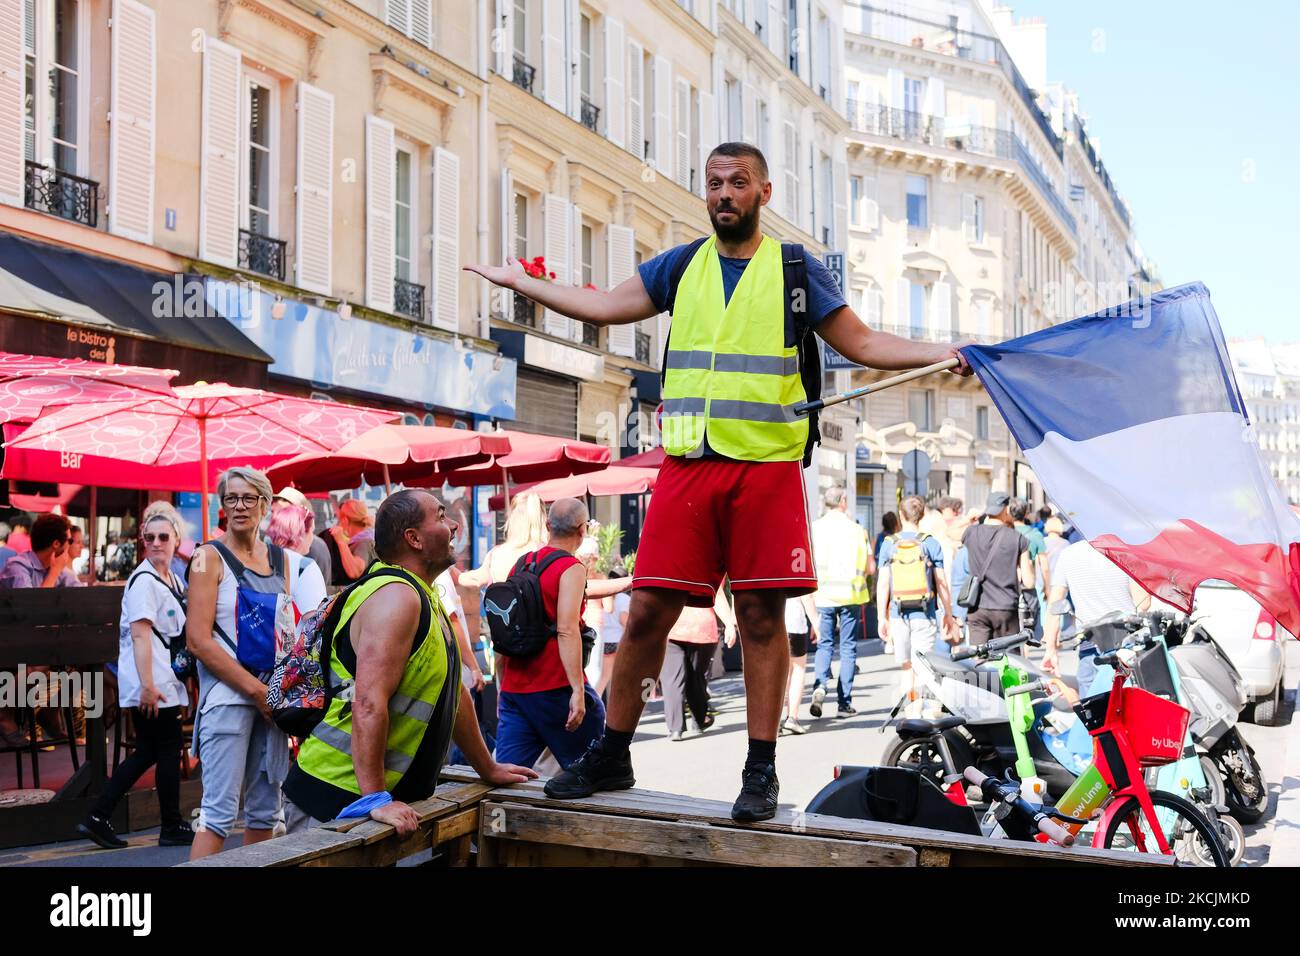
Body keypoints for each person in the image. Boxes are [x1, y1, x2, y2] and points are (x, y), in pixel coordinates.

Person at [468, 141, 971, 821]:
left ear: (764, 193)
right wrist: (523, 283)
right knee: (648, 610)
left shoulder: (796, 269)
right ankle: (613, 753)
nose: (724, 194)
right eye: (713, 184)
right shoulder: (682, 266)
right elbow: (601, 305)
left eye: (738, 183)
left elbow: (864, 343)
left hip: (765, 468)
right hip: (689, 465)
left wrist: (943, 355)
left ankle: (759, 772)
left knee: (763, 618)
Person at [284, 490, 535, 833]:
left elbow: (454, 695)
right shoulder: (396, 596)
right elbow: (369, 703)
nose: (453, 527)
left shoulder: (421, 594)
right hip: (335, 795)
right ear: (414, 538)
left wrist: (487, 767)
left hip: (368, 800)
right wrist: (374, 798)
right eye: (442, 516)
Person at [185, 467, 327, 860]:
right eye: (231, 498)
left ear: (265, 504)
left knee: (266, 814)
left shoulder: (284, 561)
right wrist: (261, 692)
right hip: (232, 700)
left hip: (271, 706)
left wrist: (281, 696)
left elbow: (285, 636)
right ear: (222, 505)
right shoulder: (205, 558)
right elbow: (197, 640)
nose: (240, 506)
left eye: (249, 498)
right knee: (217, 816)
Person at [78, 502, 194, 850]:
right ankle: (170, 824)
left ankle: (98, 816)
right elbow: (141, 634)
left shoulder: (169, 576)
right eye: (150, 537)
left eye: (163, 537)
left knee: (148, 751)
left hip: (159, 680)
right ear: (144, 541)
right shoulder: (145, 580)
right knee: (167, 749)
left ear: (176, 539)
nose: (156, 543)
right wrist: (147, 685)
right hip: (152, 682)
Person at [492, 498, 611, 770]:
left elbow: (505, 628)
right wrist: (578, 691)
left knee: (509, 774)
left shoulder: (522, 564)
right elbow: (567, 629)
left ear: (548, 525)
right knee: (591, 771)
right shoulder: (571, 567)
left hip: (515, 688)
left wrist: (502, 685)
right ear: (582, 530)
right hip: (554, 686)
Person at [877, 495, 960, 696]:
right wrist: (948, 614)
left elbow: (883, 584)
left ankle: (911, 713)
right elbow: (942, 583)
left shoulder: (889, 543)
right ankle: (921, 715)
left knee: (907, 668)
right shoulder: (930, 543)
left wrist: (882, 617)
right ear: (921, 515)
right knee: (922, 668)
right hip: (925, 613)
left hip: (898, 613)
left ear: (900, 514)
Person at [1042, 539, 1152, 690]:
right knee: (1129, 704)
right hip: (1126, 641)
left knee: (1092, 706)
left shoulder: (1068, 554)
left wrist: (1050, 649)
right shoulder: (1125, 550)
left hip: (1090, 642)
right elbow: (1143, 603)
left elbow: (1055, 605)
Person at [810, 486, 872, 719]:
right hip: (850, 595)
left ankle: (819, 685)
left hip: (823, 595)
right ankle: (844, 704)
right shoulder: (857, 529)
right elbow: (868, 567)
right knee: (847, 648)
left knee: (824, 644)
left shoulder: (815, 529)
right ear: (843, 501)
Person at [960, 493, 1035, 646]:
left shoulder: (971, 533)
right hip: (1005, 607)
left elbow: (949, 532)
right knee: (1008, 660)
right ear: (1006, 509)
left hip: (977, 607)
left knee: (979, 658)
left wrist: (968, 520)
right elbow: (1029, 582)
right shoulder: (1018, 538)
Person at [661, 588, 735, 741]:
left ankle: (676, 728)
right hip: (701, 626)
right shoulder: (712, 563)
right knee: (696, 677)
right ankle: (700, 719)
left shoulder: (669, 564)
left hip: (672, 623)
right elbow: (718, 593)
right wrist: (729, 624)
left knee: (672, 680)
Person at [0, 513, 83, 589]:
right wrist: (54, 572)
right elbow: (31, 604)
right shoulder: (18, 567)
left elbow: (82, 597)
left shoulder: (56, 568)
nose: (70, 545)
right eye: (70, 541)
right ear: (56, 544)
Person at [273, 487, 331, 583]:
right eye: (273, 512)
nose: (275, 518)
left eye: (282, 513)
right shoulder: (306, 545)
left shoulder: (310, 547)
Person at [781, 592, 818, 734]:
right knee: (797, 668)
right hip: (793, 620)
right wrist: (815, 622)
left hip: (769, 621)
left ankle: (775, 719)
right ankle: (792, 718)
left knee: (775, 672)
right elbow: (807, 596)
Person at [1011, 497, 1049, 631]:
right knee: (1028, 628)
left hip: (1007, 585)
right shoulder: (1035, 534)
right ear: (1026, 513)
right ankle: (1025, 650)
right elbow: (1044, 565)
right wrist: (1046, 586)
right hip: (1028, 585)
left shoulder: (1004, 532)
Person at [596, 567, 631, 698]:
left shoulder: (604, 593)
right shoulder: (623, 598)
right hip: (618, 641)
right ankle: (597, 705)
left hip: (603, 639)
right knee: (612, 678)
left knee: (603, 677)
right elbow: (624, 621)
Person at [320, 498, 372, 585]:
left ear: (345, 520)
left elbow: (354, 572)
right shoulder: (368, 538)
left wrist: (340, 541)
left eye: (339, 519)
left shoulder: (365, 542)